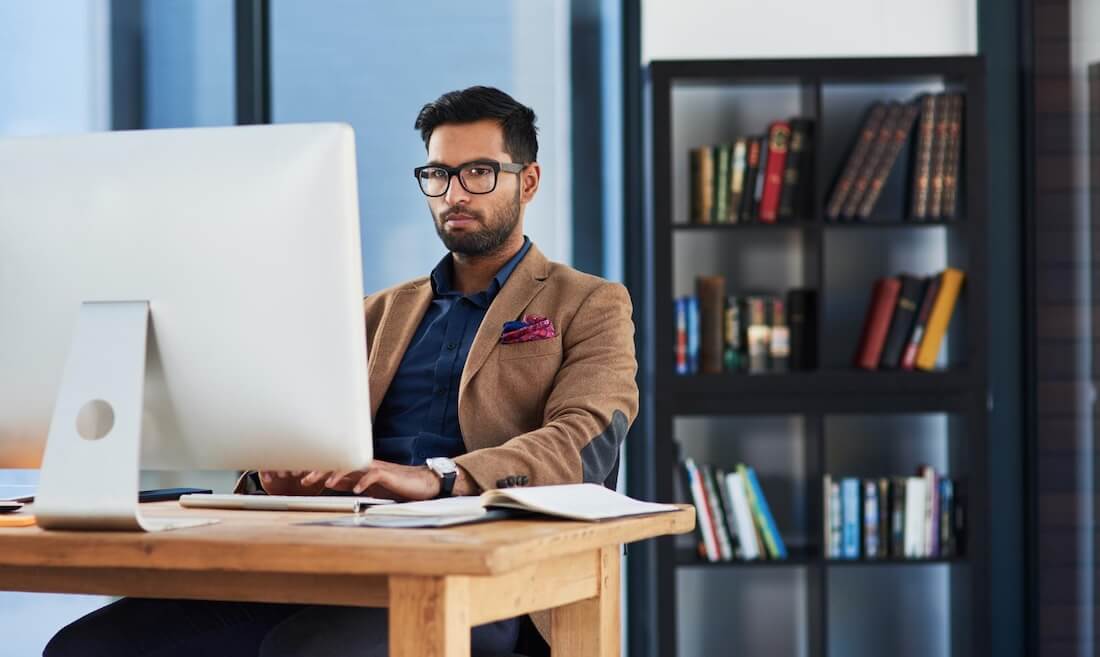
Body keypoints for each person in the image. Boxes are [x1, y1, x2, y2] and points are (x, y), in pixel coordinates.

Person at [44, 85, 638, 657]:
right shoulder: (375, 312)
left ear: (527, 181)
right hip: (334, 550)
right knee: (86, 646)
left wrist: (438, 477)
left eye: (478, 172)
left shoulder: (587, 302)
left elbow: (584, 445)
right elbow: (300, 421)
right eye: (438, 175)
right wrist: (272, 474)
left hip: (487, 568)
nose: (454, 192)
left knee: (308, 648)